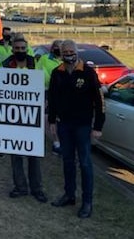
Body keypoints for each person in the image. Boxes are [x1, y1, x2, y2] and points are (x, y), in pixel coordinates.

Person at [49, 39, 105, 219]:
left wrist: (98, 126)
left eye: (71, 51)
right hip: (64, 125)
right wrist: (52, 122)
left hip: (83, 125)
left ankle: (87, 202)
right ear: (61, 53)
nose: (68, 54)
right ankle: (69, 194)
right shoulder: (57, 73)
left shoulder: (88, 73)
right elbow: (53, 99)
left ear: (76, 52)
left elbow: (99, 101)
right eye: (65, 51)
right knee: (67, 162)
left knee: (85, 163)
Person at [2, 33, 48, 203]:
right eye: (17, 48)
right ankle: (20, 186)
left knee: (34, 154)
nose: (20, 51)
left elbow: (42, 85)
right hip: (14, 116)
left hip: (32, 116)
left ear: (26, 48)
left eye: (23, 48)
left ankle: (37, 188)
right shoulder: (6, 64)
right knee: (16, 155)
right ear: (12, 49)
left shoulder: (35, 63)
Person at [36, 40, 63, 155]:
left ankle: (63, 141)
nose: (58, 49)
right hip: (46, 91)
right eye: (56, 47)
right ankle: (56, 142)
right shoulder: (45, 59)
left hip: (63, 93)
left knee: (61, 119)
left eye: (60, 47)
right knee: (48, 118)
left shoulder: (65, 60)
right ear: (52, 48)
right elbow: (37, 73)